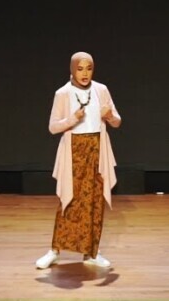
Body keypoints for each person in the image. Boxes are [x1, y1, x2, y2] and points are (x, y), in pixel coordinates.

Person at [34, 51, 122, 269]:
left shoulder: (101, 90)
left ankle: (91, 252)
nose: (85, 73)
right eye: (80, 68)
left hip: (97, 151)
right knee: (69, 200)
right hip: (74, 152)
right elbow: (53, 127)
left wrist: (109, 116)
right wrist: (72, 119)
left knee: (95, 202)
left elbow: (117, 121)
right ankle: (54, 250)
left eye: (89, 68)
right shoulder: (63, 93)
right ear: (72, 69)